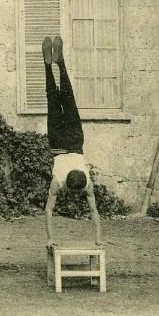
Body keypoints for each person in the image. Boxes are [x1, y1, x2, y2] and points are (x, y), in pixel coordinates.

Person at [41, 36, 102, 247]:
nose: (75, 196)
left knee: (63, 98)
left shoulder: (79, 184)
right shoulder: (61, 183)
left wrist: (99, 240)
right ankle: (52, 64)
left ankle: (55, 64)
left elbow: (49, 211)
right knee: (57, 98)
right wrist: (98, 240)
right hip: (62, 143)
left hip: (72, 142)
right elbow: (92, 211)